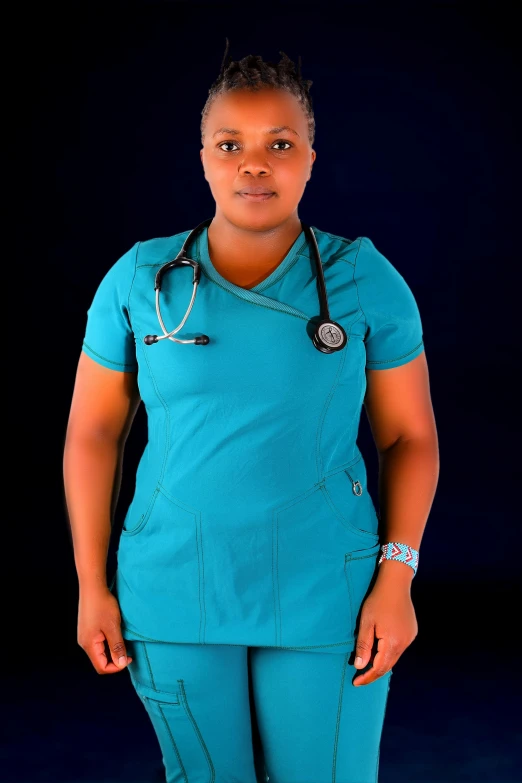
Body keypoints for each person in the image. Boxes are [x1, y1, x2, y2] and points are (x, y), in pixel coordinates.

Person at [63, 38, 439, 783]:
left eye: (279, 144)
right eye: (230, 144)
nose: (254, 163)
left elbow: (409, 437)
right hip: (172, 589)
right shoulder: (141, 279)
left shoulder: (363, 278)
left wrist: (397, 579)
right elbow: (92, 433)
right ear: (202, 157)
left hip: (328, 591)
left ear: (309, 157)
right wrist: (89, 584)